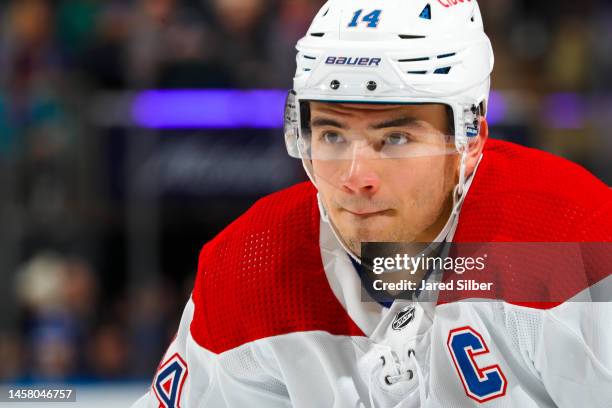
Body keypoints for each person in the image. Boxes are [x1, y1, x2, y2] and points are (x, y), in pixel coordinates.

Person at [132, 0, 612, 407]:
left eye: (395, 137)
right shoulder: (249, 267)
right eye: (333, 134)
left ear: (469, 140)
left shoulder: (575, 241)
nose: (355, 177)